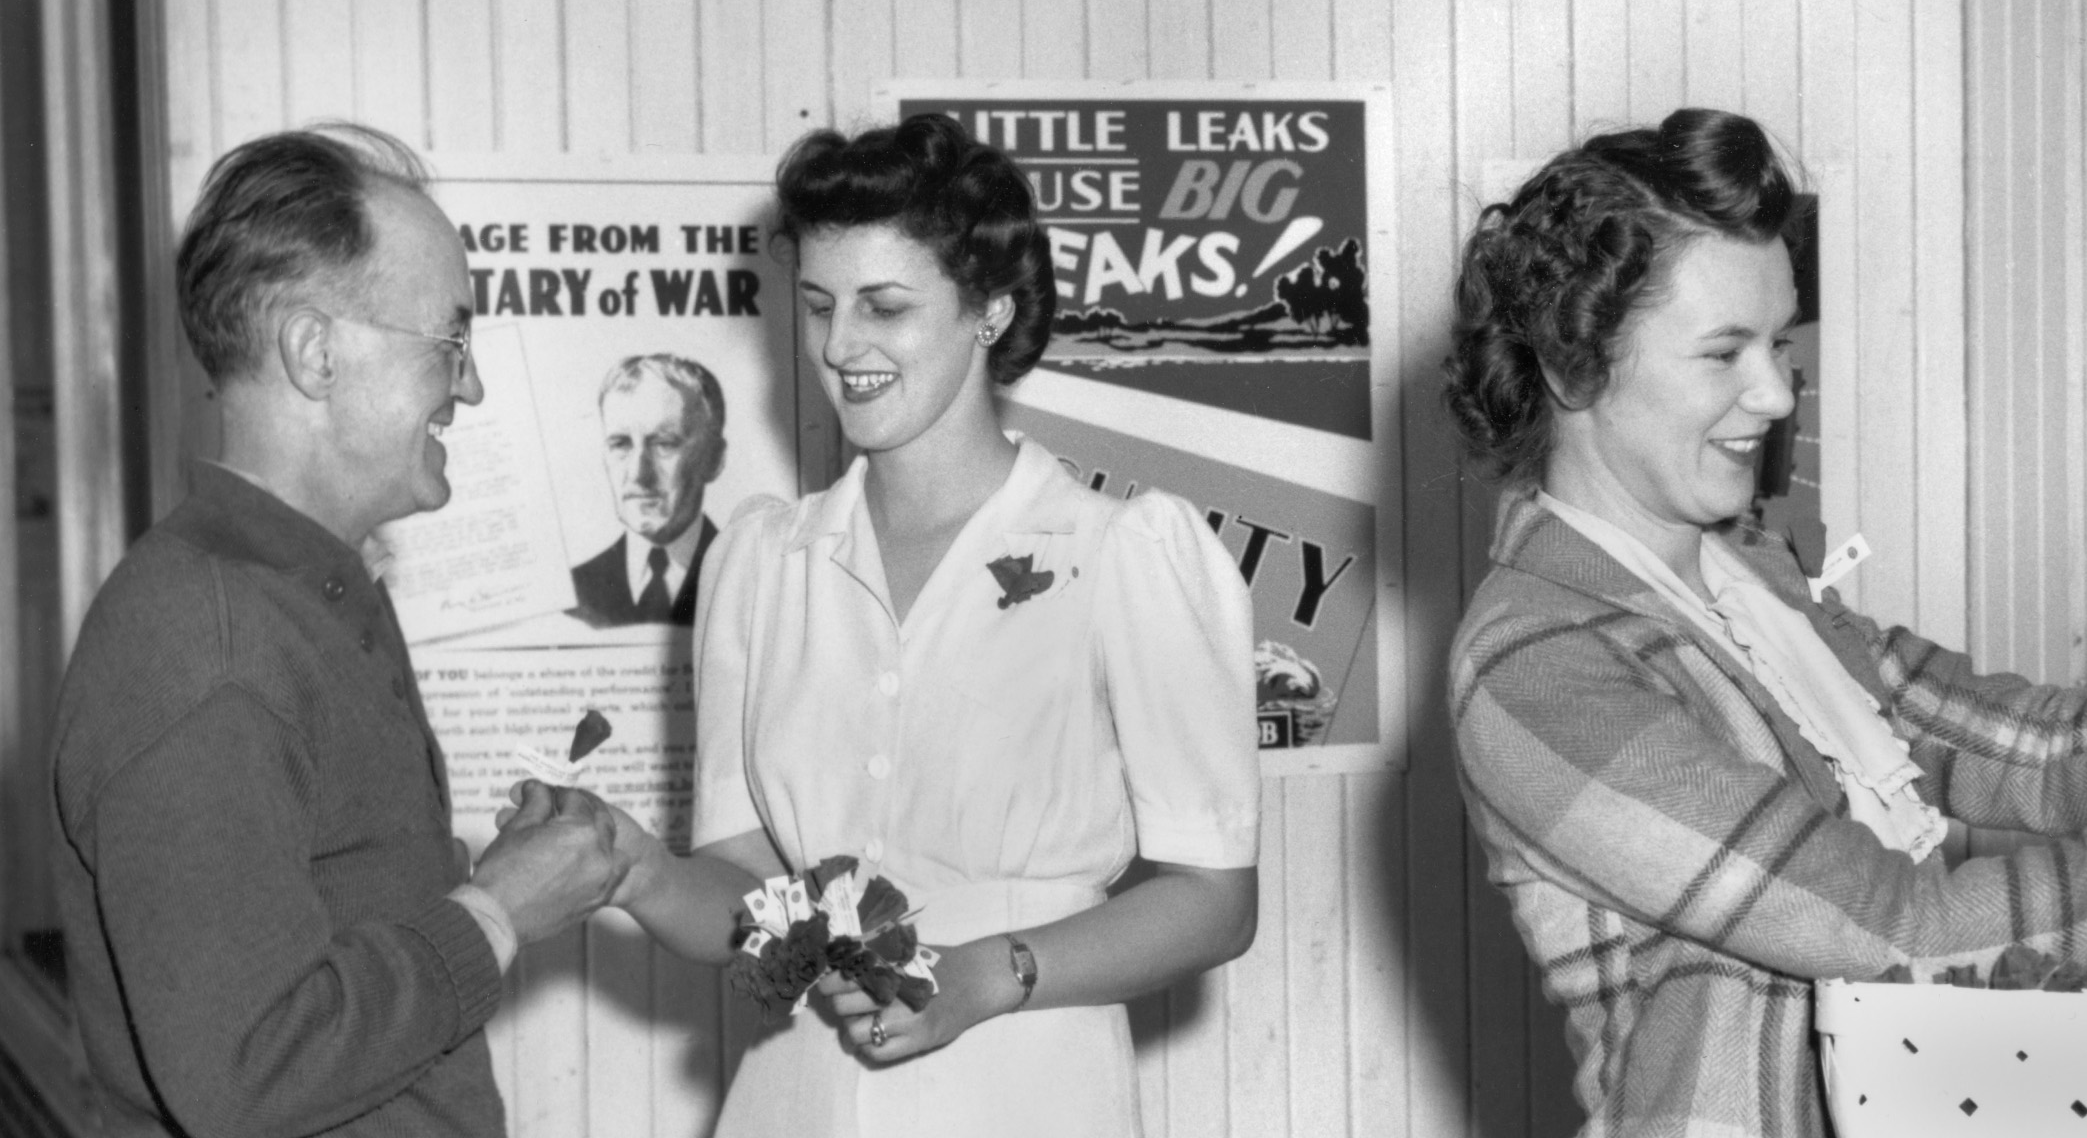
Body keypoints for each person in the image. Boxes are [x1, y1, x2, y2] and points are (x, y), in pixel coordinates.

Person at [1442, 107, 2087, 1137]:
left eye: (1778, 341)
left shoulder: (1754, 584)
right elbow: (1895, 932)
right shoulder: (1537, 665)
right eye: (1723, 354)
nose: (1772, 395)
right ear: (1570, 364)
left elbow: (2041, 758)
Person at [594, 113, 1261, 1138]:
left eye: (885, 307)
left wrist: (995, 973)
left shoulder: (1122, 555)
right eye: (818, 306)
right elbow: (742, 891)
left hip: (1030, 1090)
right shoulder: (761, 566)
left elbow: (1215, 900)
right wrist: (635, 867)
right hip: (799, 1097)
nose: (839, 346)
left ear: (990, 311)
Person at [49, 123, 632, 1138]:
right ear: (316, 353)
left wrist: (468, 884)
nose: (473, 383)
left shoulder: (300, 591)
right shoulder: (210, 638)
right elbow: (249, 1069)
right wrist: (494, 914)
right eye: (450, 342)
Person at [569, 353, 727, 627]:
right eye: (620, 444)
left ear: (713, 459)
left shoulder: (752, 580)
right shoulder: (572, 595)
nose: (639, 474)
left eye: (664, 444)